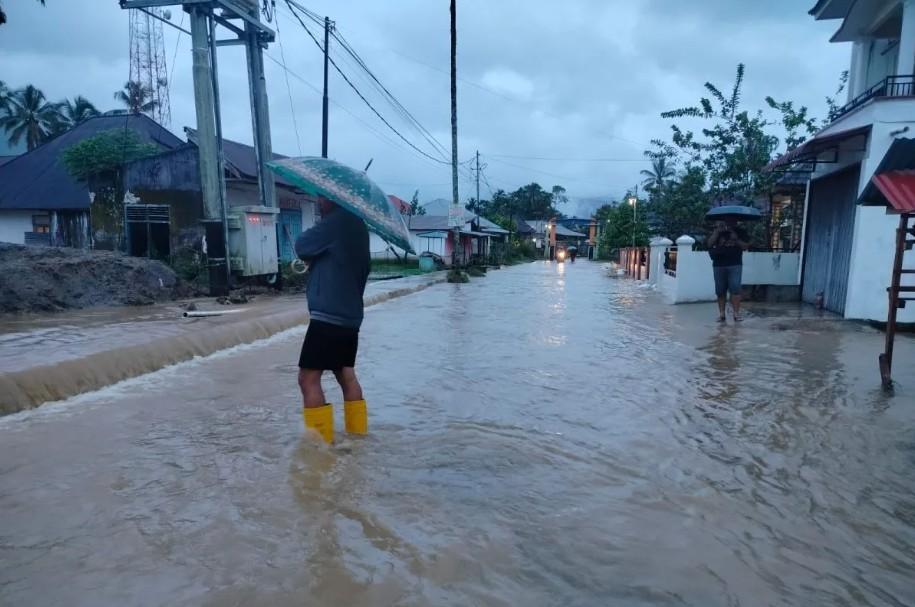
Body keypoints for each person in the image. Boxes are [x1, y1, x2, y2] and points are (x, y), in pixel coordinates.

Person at [294, 198, 370, 443]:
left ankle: (320, 448)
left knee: (307, 379)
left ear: (333, 197)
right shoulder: (357, 226)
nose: (317, 200)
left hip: (328, 317)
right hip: (350, 318)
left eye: (321, 197)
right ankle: (357, 440)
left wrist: (323, 224)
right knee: (345, 374)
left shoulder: (335, 223)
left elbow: (302, 245)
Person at [708, 218, 749, 322]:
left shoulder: (740, 231)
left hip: (735, 264)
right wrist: (717, 232)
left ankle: (736, 314)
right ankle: (722, 314)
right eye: (726, 221)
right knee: (720, 290)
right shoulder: (718, 231)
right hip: (719, 264)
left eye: (731, 221)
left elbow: (745, 246)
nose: (728, 223)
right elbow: (709, 244)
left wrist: (736, 239)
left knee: (735, 288)